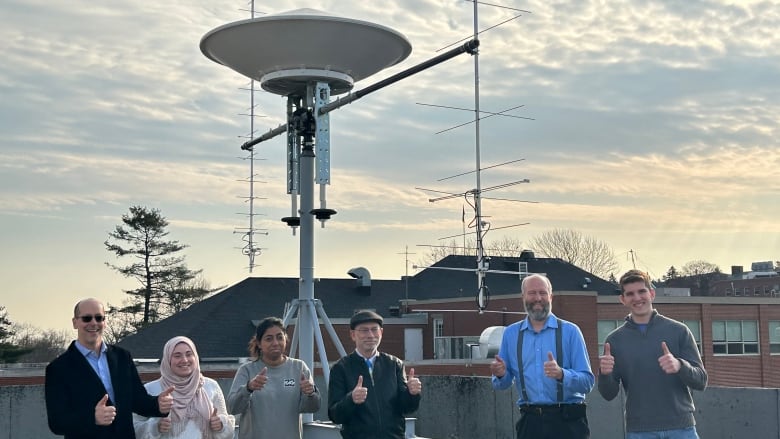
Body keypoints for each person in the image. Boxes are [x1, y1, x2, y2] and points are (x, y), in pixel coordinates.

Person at [598, 269, 708, 439]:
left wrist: (680, 365)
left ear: (652, 294)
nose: (637, 298)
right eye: (630, 294)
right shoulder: (614, 340)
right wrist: (604, 374)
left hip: (682, 429)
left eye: (642, 291)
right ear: (623, 299)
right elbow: (608, 394)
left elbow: (701, 381)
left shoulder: (679, 331)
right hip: (639, 431)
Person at [45, 298, 174, 439]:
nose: (93, 323)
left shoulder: (122, 357)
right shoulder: (58, 369)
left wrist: (157, 405)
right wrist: (92, 418)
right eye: (87, 318)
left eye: (99, 318)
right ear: (75, 322)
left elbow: (137, 400)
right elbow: (56, 422)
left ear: (105, 322)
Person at [490, 274, 595, 439]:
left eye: (543, 293)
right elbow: (501, 384)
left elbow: (587, 383)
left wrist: (562, 374)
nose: (538, 298)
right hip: (530, 423)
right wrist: (501, 374)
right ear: (523, 297)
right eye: (532, 293)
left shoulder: (571, 332)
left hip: (568, 423)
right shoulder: (511, 334)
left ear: (550, 297)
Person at [328, 310, 422, 439]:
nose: (370, 335)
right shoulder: (340, 368)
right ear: (353, 335)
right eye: (364, 330)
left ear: (381, 333)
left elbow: (406, 408)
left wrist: (412, 394)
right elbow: (334, 415)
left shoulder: (394, 364)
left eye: (374, 329)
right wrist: (351, 400)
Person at [227, 316, 320, 439]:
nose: (275, 343)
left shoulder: (299, 367)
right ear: (259, 343)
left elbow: (313, 407)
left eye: (279, 337)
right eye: (269, 339)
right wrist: (248, 388)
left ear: (286, 339)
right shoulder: (247, 370)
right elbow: (232, 408)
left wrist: (310, 393)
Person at [133, 336, 235, 438]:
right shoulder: (150, 389)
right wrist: (155, 426)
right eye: (177, 356)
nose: (184, 360)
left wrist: (220, 426)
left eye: (189, 354)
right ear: (168, 359)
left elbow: (228, 430)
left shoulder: (210, 386)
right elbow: (133, 428)